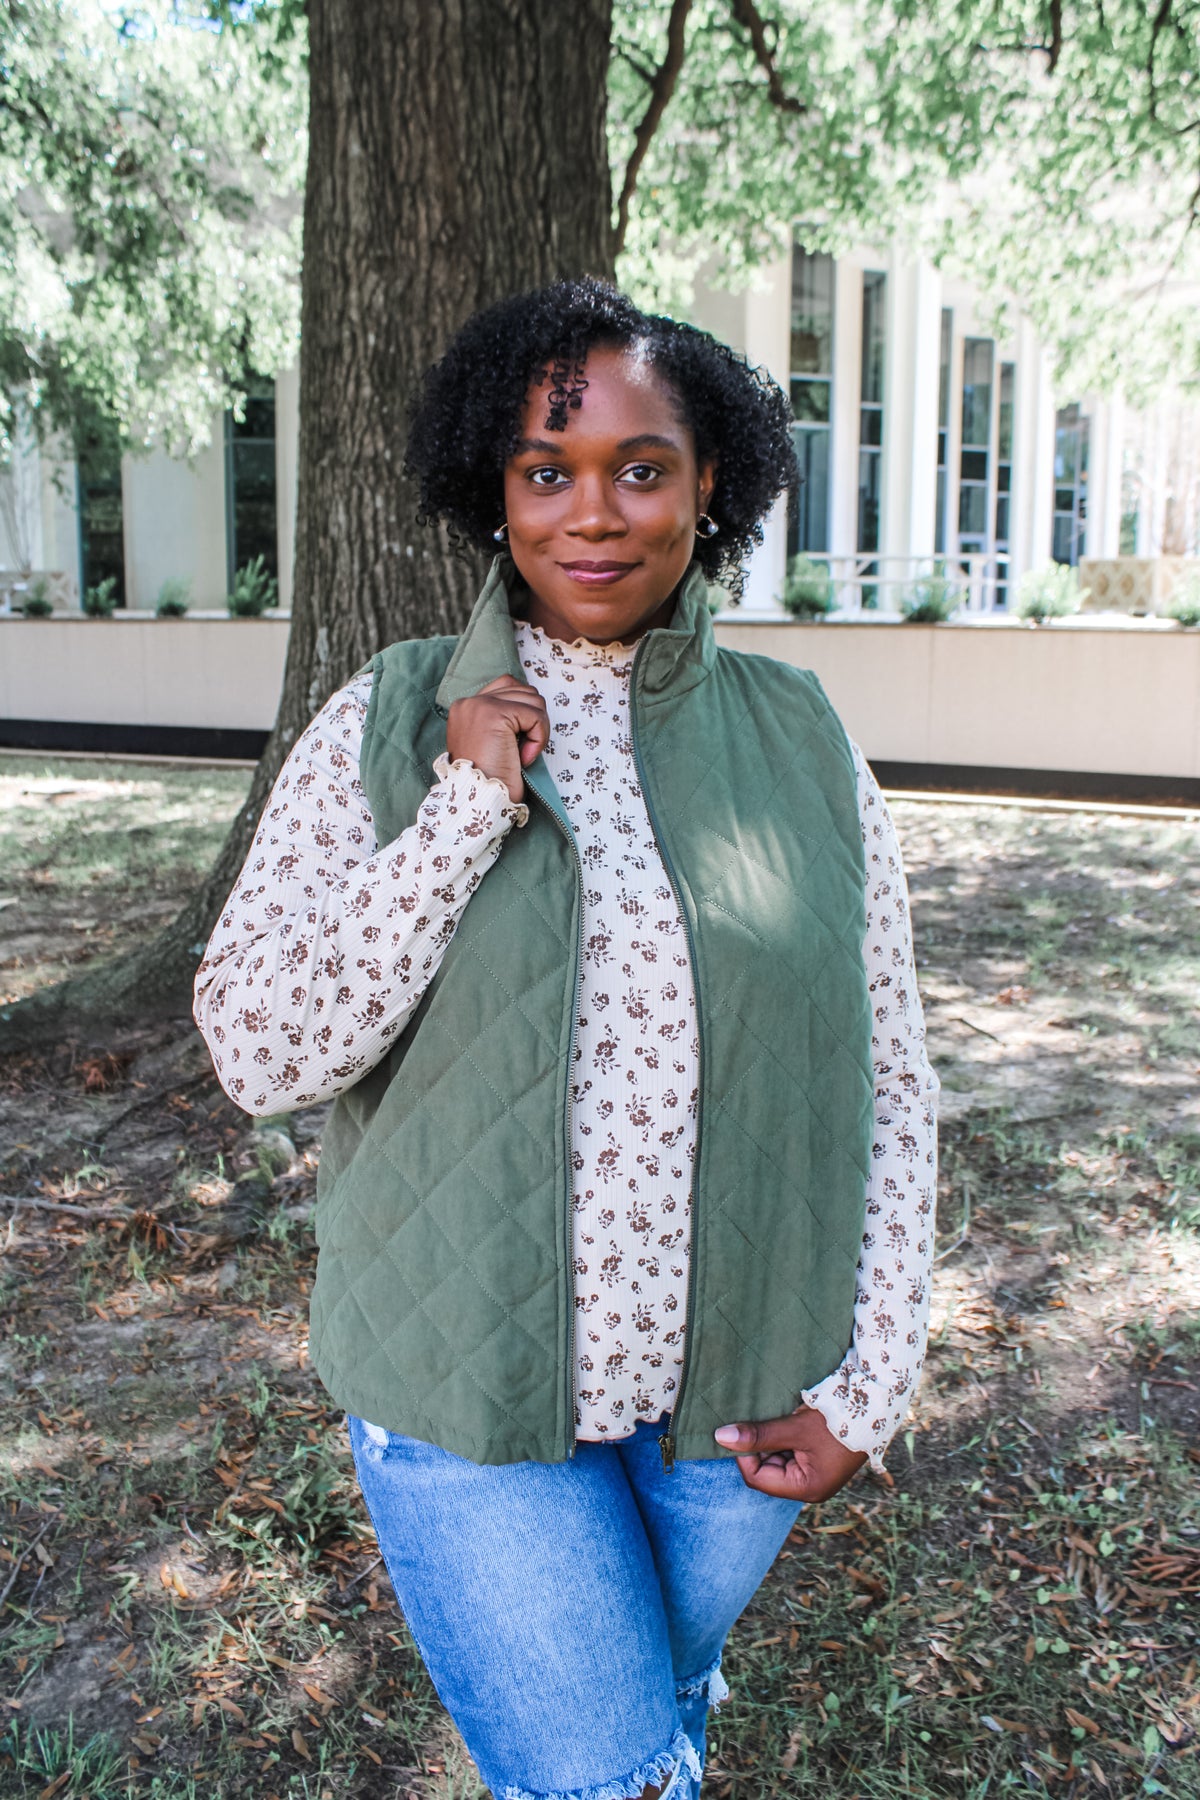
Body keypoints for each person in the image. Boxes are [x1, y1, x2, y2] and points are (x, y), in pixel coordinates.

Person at [194, 277, 939, 1800]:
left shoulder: (801, 738)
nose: (593, 515)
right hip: (473, 1396)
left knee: (657, 1714)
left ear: (708, 482)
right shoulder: (387, 718)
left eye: (640, 467)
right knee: (613, 1777)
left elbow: (893, 1075)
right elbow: (258, 1052)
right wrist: (464, 811)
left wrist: (877, 1378)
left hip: (734, 1403)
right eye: (549, 472)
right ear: (498, 491)